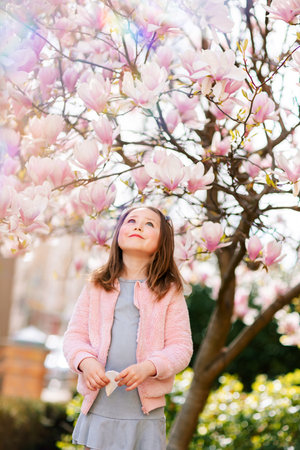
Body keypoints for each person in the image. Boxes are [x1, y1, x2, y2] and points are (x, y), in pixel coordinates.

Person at [63, 206, 193, 450]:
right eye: (131, 220)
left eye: (149, 224)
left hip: (143, 413)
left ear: (162, 242)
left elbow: (181, 347)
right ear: (118, 234)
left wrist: (149, 367)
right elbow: (74, 337)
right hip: (100, 407)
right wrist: (85, 362)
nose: (139, 226)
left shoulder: (169, 291)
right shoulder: (97, 285)